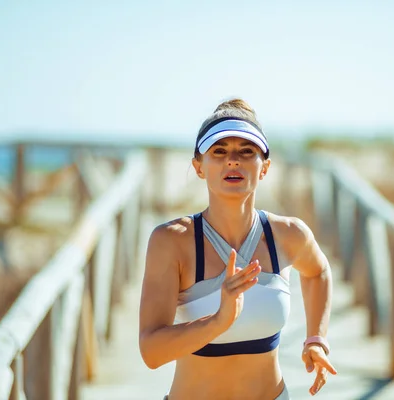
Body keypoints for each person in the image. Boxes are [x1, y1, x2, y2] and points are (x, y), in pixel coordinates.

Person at [139, 98, 337, 399]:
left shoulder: (288, 234)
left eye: (247, 152)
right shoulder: (172, 241)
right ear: (199, 166)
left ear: (265, 167)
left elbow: (318, 271)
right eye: (219, 151)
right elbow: (152, 352)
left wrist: (316, 339)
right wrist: (219, 320)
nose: (233, 161)